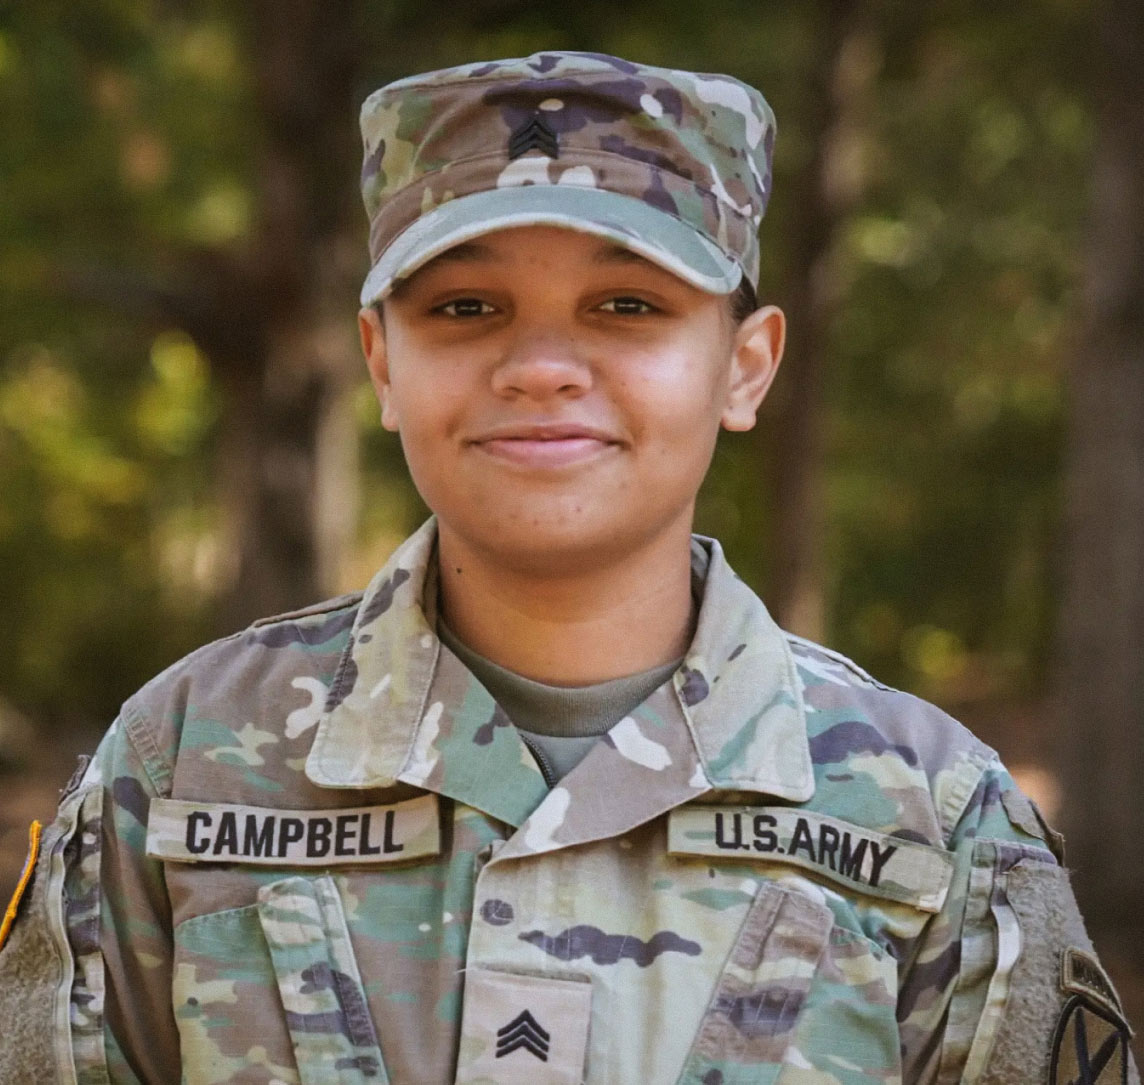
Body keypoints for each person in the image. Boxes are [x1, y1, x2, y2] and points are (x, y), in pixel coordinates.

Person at [0, 50, 1135, 1085]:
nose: (541, 365)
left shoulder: (931, 817)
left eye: (627, 304)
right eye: (466, 306)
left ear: (745, 368)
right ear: (382, 362)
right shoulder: (182, 766)